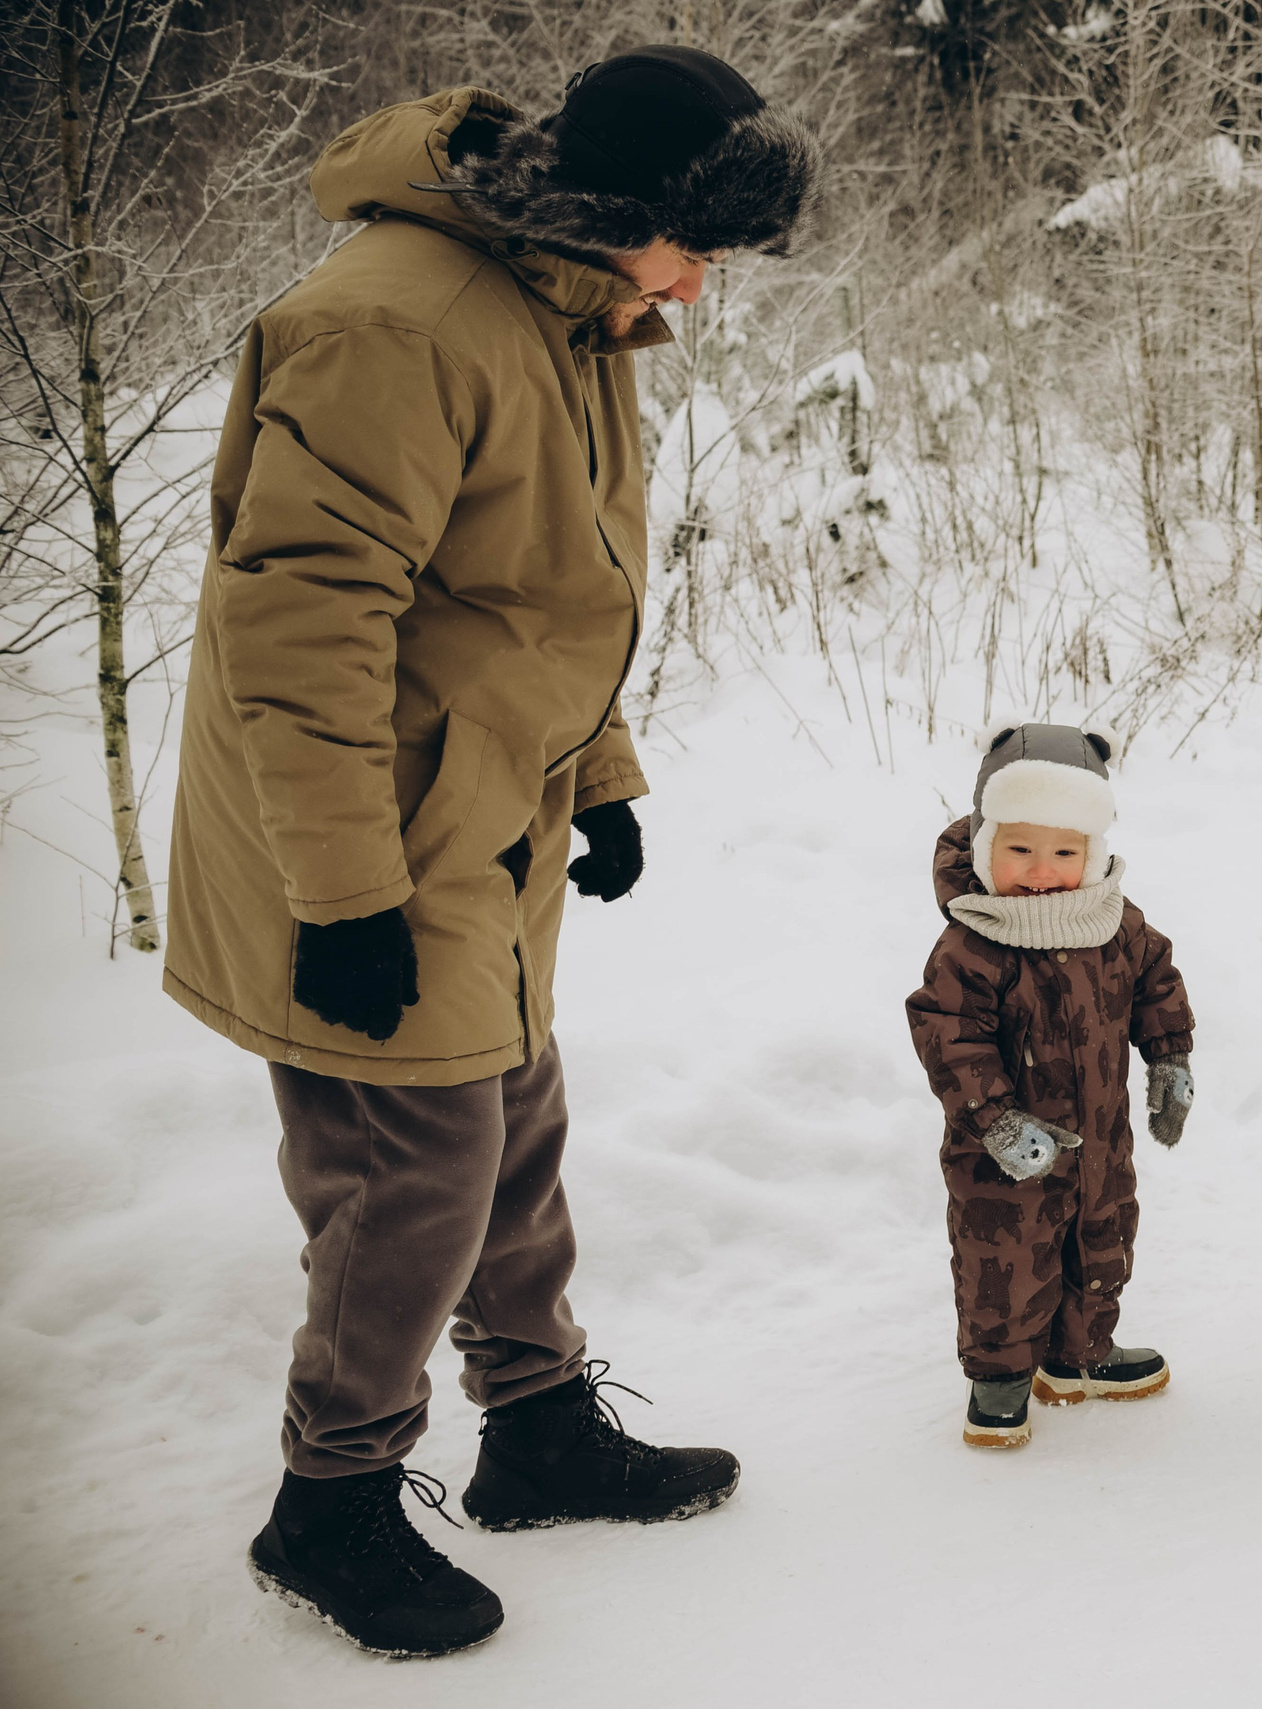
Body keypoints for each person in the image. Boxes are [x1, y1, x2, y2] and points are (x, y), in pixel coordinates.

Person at [159, 48, 815, 1656]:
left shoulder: (572, 311)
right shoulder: (401, 324)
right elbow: (299, 627)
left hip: (473, 803)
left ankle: (533, 1429)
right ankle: (331, 1499)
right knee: (419, 1155)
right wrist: (344, 901)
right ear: (622, 211)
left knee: (512, 1100)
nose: (705, 283)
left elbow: (536, 592)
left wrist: (598, 773)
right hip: (358, 824)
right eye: (699, 243)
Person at [906, 723, 1197, 1449]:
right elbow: (949, 1035)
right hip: (1001, 1156)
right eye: (1020, 849)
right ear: (983, 844)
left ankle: (1079, 1355)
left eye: (1066, 851)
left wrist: (1169, 1060)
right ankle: (1000, 1377)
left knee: (1101, 1238)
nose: (1042, 870)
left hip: (1099, 1137)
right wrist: (996, 1120)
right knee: (1004, 1260)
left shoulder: (1114, 923)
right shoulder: (973, 942)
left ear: (1093, 853)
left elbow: (1157, 982)